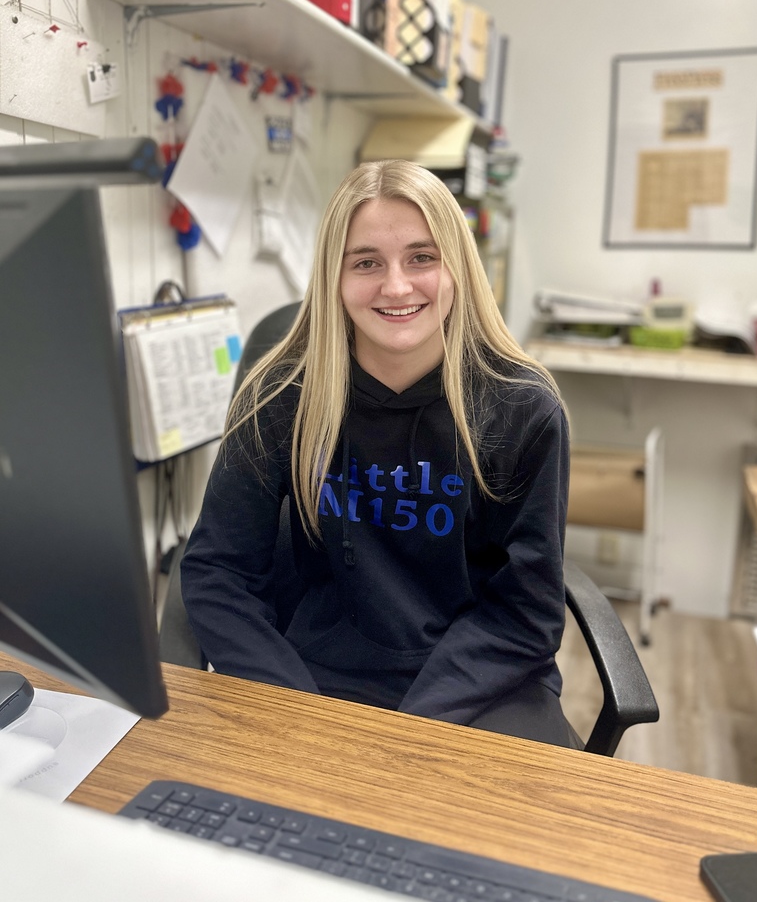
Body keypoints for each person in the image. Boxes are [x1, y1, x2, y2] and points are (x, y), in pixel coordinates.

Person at [181, 159, 576, 747]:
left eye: (422, 257)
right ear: (334, 280)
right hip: (314, 680)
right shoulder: (280, 398)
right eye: (367, 262)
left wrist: (407, 735)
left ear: (458, 269)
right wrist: (297, 713)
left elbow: (526, 614)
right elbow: (218, 573)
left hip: (478, 685)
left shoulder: (520, 408)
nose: (396, 286)